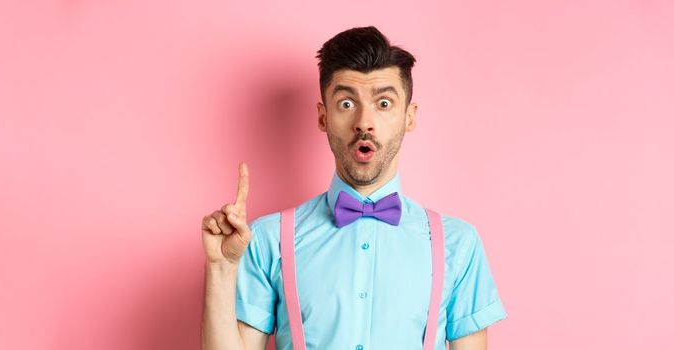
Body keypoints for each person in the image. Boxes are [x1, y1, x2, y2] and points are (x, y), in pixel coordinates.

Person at [201, 26, 506, 350]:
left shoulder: (458, 244)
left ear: (409, 117)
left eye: (384, 103)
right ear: (323, 117)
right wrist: (221, 269)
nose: (364, 121)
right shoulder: (268, 240)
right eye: (346, 103)